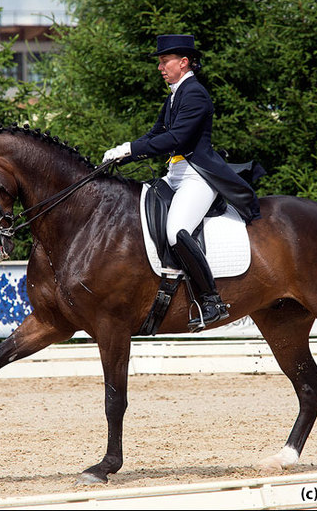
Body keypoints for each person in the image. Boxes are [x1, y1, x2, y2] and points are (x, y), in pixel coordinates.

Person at [103, 34, 261, 330]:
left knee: (177, 231)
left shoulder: (195, 93)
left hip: (198, 176)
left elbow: (178, 138)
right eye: (161, 62)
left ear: (183, 62)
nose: (160, 67)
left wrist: (131, 149)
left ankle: (211, 300)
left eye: (164, 62)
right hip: (175, 174)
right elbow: (154, 135)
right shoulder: (174, 95)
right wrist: (122, 152)